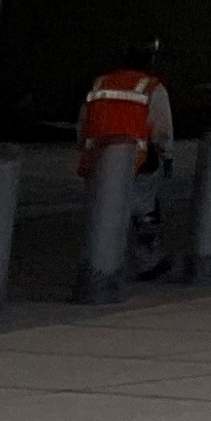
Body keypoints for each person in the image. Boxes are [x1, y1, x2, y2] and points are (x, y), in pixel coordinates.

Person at [79, 40, 176, 276]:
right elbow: (162, 131)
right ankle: (147, 262)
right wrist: (167, 156)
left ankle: (97, 264)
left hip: (99, 160)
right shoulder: (152, 88)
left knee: (104, 211)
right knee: (145, 212)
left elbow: (83, 123)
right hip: (138, 161)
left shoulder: (100, 83)